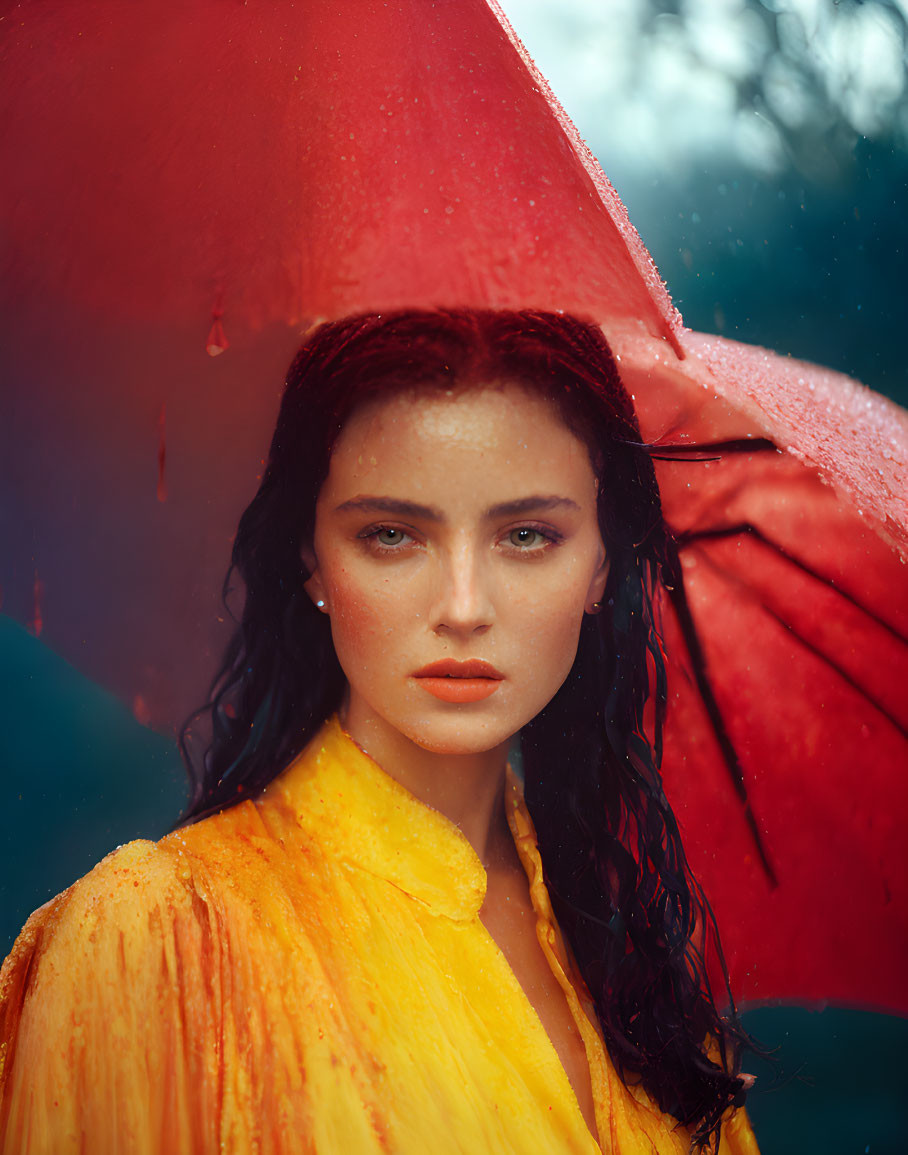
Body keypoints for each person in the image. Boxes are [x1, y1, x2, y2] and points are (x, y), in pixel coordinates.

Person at [0, 308, 759, 1154]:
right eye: (392, 535)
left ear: (601, 567)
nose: (464, 608)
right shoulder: (155, 944)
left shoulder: (642, 980)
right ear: (313, 561)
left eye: (527, 535)